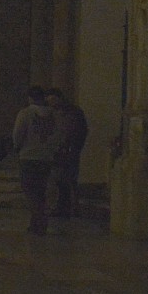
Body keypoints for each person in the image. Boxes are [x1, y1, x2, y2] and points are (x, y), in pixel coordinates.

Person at [11, 86, 59, 236]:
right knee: (41, 191)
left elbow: (18, 134)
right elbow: (58, 135)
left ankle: (40, 221)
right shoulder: (54, 115)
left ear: (30, 98)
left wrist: (17, 147)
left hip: (28, 156)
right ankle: (36, 224)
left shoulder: (25, 114)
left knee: (30, 192)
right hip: (46, 157)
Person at [47, 87, 90, 222]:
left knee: (69, 180)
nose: (52, 104)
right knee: (59, 181)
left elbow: (78, 131)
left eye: (53, 100)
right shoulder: (54, 113)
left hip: (69, 150)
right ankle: (61, 207)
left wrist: (73, 147)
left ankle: (71, 208)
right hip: (58, 151)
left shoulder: (73, 113)